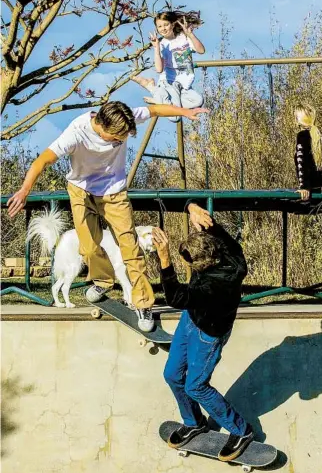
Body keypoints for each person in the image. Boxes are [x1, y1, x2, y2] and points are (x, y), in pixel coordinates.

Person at [7, 101, 208, 332]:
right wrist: (24, 190)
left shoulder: (123, 115)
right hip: (80, 191)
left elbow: (154, 110)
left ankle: (142, 303)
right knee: (89, 247)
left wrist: (184, 111)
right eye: (115, 138)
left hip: (114, 193)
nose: (119, 142)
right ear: (100, 125)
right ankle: (103, 281)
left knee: (130, 249)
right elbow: (43, 160)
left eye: (122, 139)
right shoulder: (75, 133)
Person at [152, 202, 254, 462]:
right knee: (172, 375)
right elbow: (214, 229)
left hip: (208, 334)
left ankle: (241, 430)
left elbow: (176, 296)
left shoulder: (214, 285)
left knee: (196, 385)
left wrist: (164, 259)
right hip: (191, 320)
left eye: (191, 263)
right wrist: (192, 207)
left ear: (205, 262)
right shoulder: (228, 250)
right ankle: (194, 421)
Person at [132, 10, 205, 122]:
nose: (163, 29)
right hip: (169, 83)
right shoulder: (162, 44)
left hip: (185, 85)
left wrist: (190, 34)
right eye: (160, 26)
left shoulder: (184, 37)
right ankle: (153, 88)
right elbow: (159, 69)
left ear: (173, 23)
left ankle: (160, 100)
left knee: (198, 101)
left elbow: (201, 50)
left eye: (166, 24)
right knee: (175, 117)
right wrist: (156, 48)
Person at [294, 102, 322, 201]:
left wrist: (304, 186)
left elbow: (302, 163)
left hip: (311, 190)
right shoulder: (320, 136)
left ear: (298, 120)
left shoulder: (302, 136)